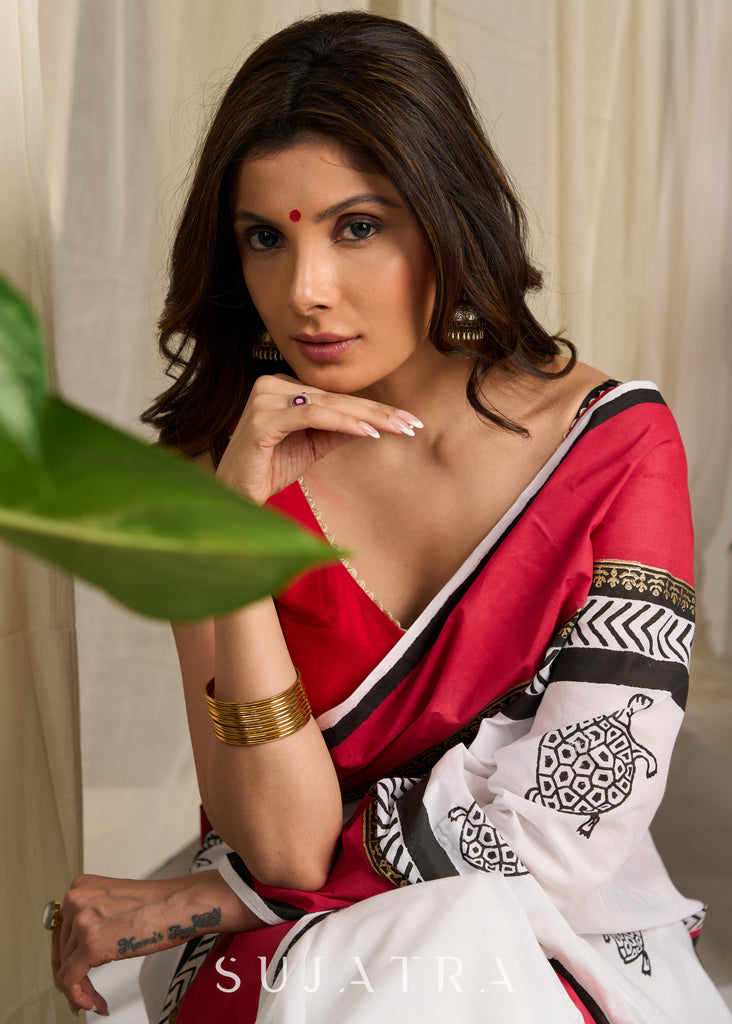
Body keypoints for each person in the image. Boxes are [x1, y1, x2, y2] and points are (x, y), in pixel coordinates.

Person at [48, 11, 731, 1024]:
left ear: (445, 217)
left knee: (446, 960)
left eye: (357, 226)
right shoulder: (214, 467)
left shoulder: (615, 447)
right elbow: (280, 842)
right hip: (295, 946)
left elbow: (568, 822)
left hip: (543, 942)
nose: (305, 291)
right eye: (264, 238)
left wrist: (211, 897)